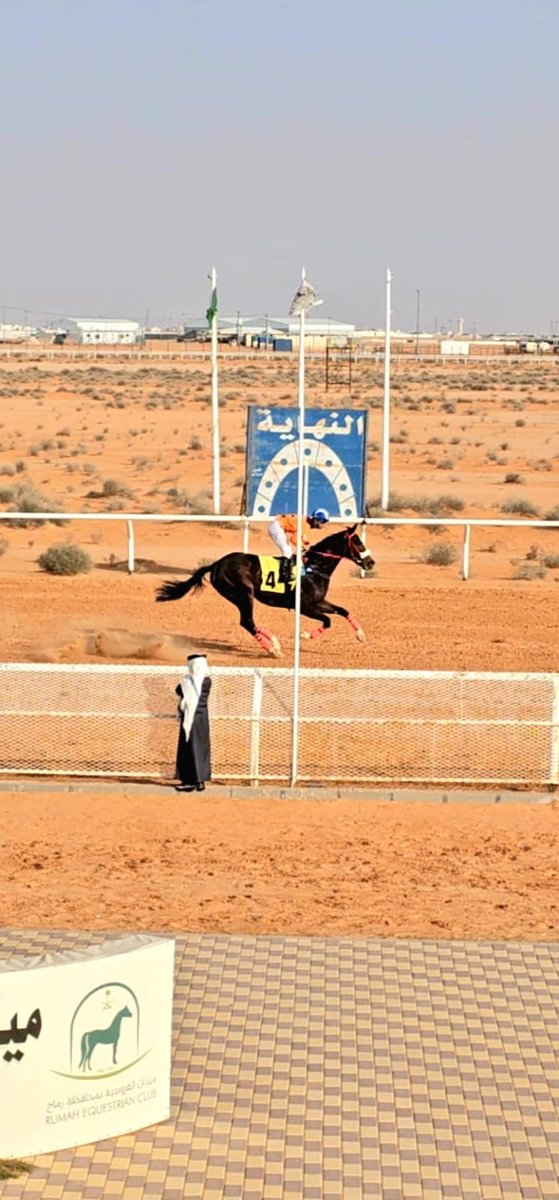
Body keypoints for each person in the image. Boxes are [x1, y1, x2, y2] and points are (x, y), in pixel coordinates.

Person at [174, 654, 212, 793]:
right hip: (202, 720)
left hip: (191, 720)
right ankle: (200, 781)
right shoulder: (207, 681)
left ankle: (189, 781)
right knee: (200, 750)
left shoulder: (189, 682)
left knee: (189, 750)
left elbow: (178, 690)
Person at [268, 508, 330, 584]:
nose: (324, 524)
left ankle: (296, 572)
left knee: (292, 551)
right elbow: (293, 539)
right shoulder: (306, 525)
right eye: (323, 521)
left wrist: (305, 543)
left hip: (279, 526)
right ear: (316, 520)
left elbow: (301, 537)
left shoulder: (307, 524)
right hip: (277, 527)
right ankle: (284, 575)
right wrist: (304, 546)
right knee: (287, 551)